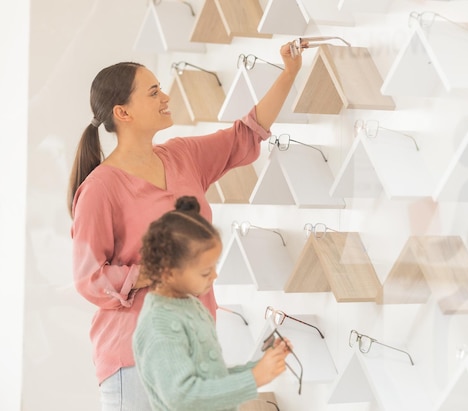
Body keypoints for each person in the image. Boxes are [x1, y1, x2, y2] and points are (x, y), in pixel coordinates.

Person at [68, 40, 305, 410]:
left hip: (196, 349)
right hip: (135, 356)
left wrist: (290, 73)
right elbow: (89, 279)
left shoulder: (183, 156)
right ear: (123, 112)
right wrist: (155, 271)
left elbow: (246, 133)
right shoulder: (100, 188)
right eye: (153, 92)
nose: (165, 95)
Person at [133, 196, 291, 411]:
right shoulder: (158, 323)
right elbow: (182, 397)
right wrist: (254, 378)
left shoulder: (190, 305)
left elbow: (213, 379)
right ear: (169, 272)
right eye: (206, 272)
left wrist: (263, 366)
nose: (215, 275)